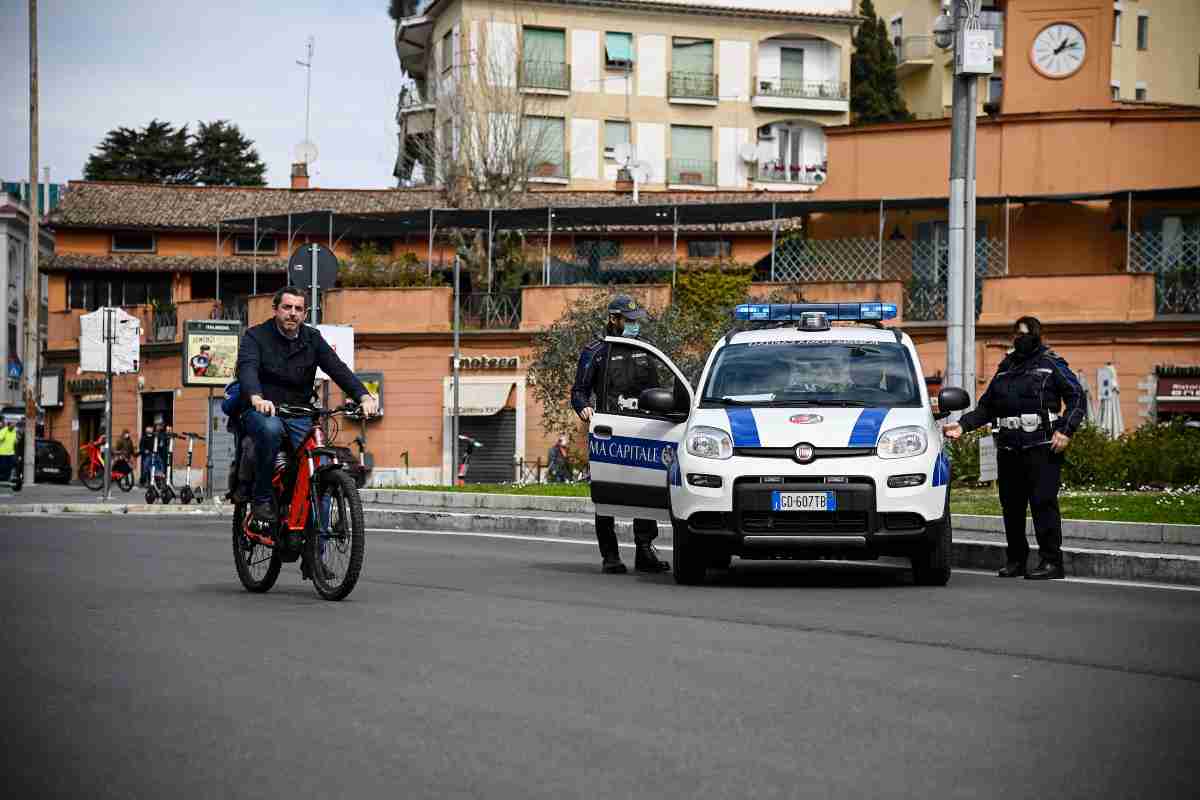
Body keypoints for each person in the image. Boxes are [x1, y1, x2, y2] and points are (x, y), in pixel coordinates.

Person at [943, 316, 1085, 580]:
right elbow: (988, 406)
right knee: (1012, 506)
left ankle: (1052, 562)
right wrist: (962, 425)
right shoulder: (1006, 367)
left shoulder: (1051, 363)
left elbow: (1077, 397)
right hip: (1009, 448)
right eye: (1015, 335)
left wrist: (1066, 430)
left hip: (1042, 447)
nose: (1019, 339)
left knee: (1043, 503)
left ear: (1036, 335)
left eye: (1024, 334)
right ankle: (1016, 560)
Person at [235, 287, 379, 540]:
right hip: (264, 410)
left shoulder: (312, 338)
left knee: (321, 464)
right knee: (271, 430)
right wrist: (257, 398)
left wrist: (363, 396)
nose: (292, 314)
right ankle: (262, 499)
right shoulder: (256, 336)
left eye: (298, 309)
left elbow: (338, 369)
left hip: (301, 412)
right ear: (276, 309)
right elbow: (247, 369)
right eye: (287, 308)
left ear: (305, 313)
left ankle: (318, 549)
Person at [570, 294, 670, 575]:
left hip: (643, 432)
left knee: (645, 493)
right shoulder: (596, 351)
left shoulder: (645, 350)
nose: (634, 326)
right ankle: (610, 556)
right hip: (609, 434)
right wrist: (584, 408)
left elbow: (657, 391)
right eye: (629, 321)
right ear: (613, 320)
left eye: (636, 321)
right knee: (606, 495)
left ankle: (644, 551)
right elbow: (578, 391)